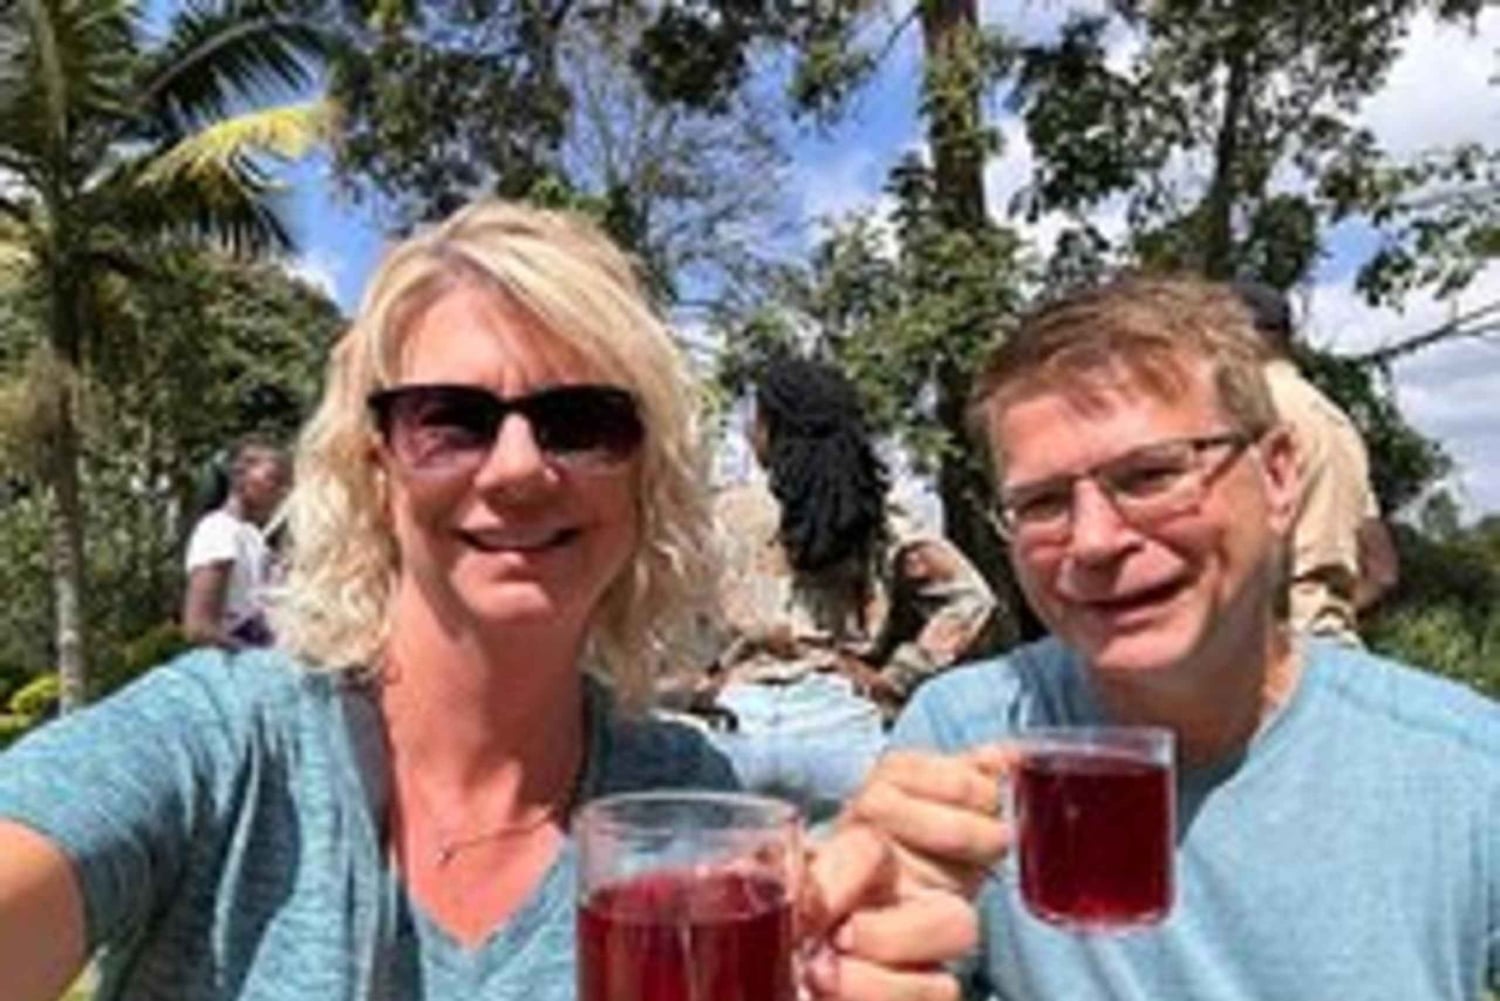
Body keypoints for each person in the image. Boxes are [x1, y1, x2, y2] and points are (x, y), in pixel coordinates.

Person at [0, 200, 1008, 1001]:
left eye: (582, 421)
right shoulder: (223, 746)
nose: (520, 468)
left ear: (642, 478)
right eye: (451, 419)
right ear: (376, 469)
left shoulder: (678, 800)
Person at [858, 276, 1500, 999]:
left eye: (1152, 475)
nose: (1094, 540)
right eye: (1043, 503)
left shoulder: (1462, 768)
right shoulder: (964, 740)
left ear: (1278, 477)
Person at [694, 356, 996, 823]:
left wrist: (697, 683)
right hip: (841, 722)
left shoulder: (725, 514)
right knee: (851, 863)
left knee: (731, 867)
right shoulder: (878, 519)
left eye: (755, 419)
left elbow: (660, 597)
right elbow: (971, 599)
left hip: (736, 725)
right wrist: (897, 678)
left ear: (769, 429)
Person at [1232, 279, 1398, 643]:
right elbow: (1382, 571)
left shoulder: (1251, 410)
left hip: (1269, 649)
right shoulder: (1337, 423)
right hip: (1336, 643)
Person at [181, 437, 290, 648]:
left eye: (286, 484)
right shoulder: (218, 530)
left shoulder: (253, 537)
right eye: (274, 479)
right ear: (240, 477)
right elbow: (200, 628)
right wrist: (256, 658)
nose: (281, 491)